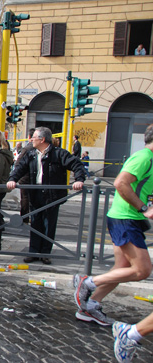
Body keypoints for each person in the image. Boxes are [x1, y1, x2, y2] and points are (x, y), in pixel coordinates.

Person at [73, 124, 153, 327]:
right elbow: (120, 183)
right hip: (125, 218)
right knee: (142, 270)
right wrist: (143, 208)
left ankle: (90, 306)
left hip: (128, 218)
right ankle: (87, 283)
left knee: (122, 267)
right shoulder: (144, 158)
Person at [7, 127, 86, 264]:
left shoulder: (59, 154)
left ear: (42, 140)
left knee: (49, 223)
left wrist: (79, 180)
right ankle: (33, 251)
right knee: (35, 221)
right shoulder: (31, 154)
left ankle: (45, 253)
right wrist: (12, 179)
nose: (31, 140)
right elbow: (20, 168)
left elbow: (76, 164)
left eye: (34, 137)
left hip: (52, 194)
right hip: (35, 192)